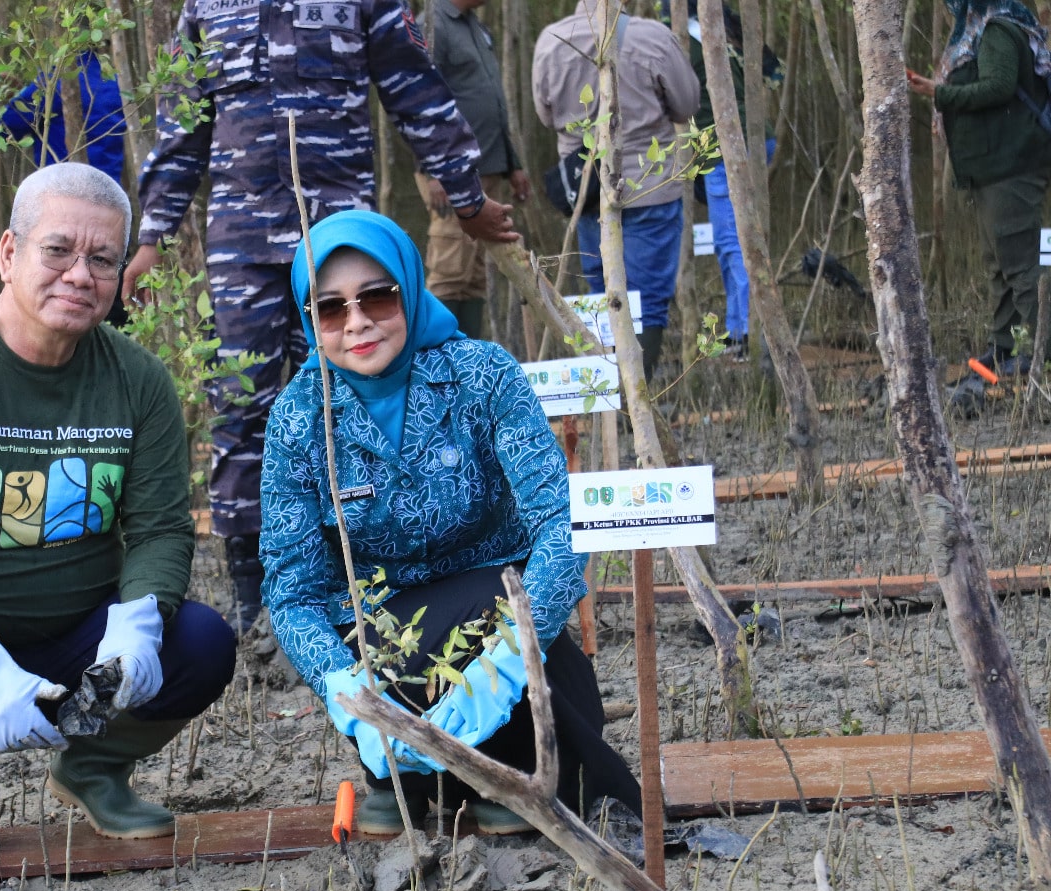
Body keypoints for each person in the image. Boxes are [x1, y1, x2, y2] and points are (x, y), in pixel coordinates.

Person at [0, 163, 237, 856]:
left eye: (102, 259)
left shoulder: (139, 382)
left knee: (203, 643)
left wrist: (138, 625)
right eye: (58, 250)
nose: (80, 274)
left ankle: (92, 767)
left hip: (80, 635)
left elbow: (160, 527)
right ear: (10, 254)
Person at [123, 0, 518, 636]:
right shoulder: (206, 6)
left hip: (339, 241)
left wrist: (465, 197)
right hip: (241, 239)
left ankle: (368, 579)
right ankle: (257, 601)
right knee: (241, 404)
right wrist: (152, 234)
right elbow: (182, 120)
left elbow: (414, 87)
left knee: (357, 397)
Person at [261, 210, 641, 836]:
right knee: (396, 653)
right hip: (389, 652)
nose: (356, 322)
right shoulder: (300, 417)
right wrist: (347, 691)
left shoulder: (483, 375)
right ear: (311, 320)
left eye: (376, 297)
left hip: (501, 630)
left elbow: (560, 523)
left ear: (409, 289)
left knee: (547, 672)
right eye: (330, 308)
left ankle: (509, 779)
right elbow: (292, 590)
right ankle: (406, 776)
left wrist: (513, 657)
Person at [533, 0, 699, 377]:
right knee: (648, 301)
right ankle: (634, 401)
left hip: (587, 192)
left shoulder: (551, 40)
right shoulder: (652, 37)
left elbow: (545, 115)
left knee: (602, 295)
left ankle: (612, 399)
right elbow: (687, 104)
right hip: (650, 187)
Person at [910, 0, 1051, 377]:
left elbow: (999, 87)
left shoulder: (998, 31)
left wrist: (938, 93)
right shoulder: (982, 33)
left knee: (1023, 262)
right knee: (998, 264)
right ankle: (1003, 346)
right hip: (992, 168)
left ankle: (1040, 351)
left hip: (1011, 166)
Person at [413, 0, 532, 340]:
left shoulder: (474, 26)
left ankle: (466, 362)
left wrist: (513, 164)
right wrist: (433, 168)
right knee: (451, 267)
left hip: (489, 165)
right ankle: (436, 360)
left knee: (474, 271)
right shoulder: (432, 25)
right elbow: (418, 99)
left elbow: (493, 99)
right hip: (450, 171)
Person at [676, 0, 782, 361]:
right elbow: (773, 73)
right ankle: (743, 328)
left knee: (731, 241)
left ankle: (746, 333)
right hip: (753, 139)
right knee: (739, 237)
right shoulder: (725, 32)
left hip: (727, 147)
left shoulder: (689, 40)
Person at [0, 51, 127, 186]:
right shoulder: (113, 81)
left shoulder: (55, 81)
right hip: (110, 192)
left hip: (63, 194)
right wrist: (21, 95)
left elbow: (3, 128)